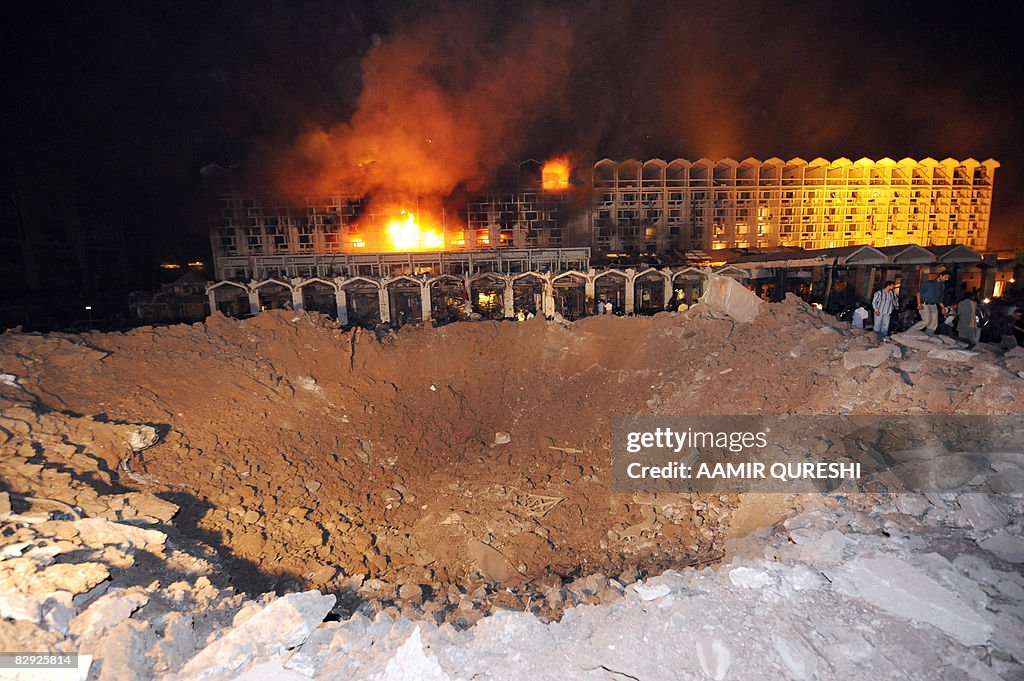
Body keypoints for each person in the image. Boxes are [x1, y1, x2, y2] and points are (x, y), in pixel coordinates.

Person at [909, 271, 951, 335]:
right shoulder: (929, 283)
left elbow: (940, 299)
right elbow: (918, 293)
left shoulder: (942, 286)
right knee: (926, 321)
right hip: (924, 304)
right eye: (946, 277)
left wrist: (943, 308)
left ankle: (928, 334)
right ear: (940, 275)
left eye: (948, 278)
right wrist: (919, 304)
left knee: (934, 322)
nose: (947, 279)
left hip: (934, 305)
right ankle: (911, 331)